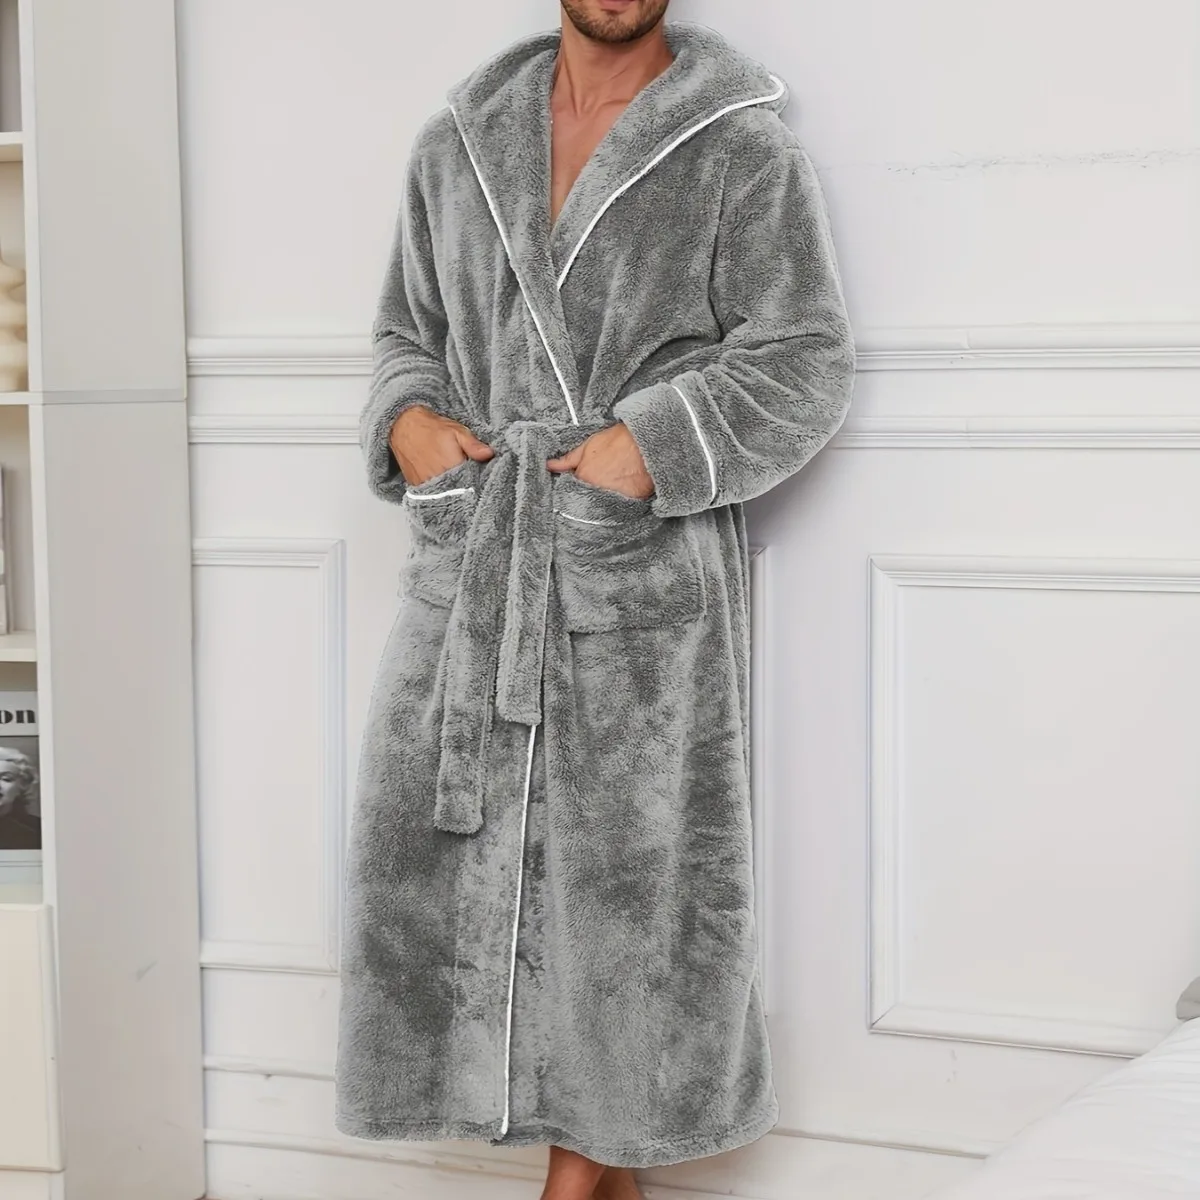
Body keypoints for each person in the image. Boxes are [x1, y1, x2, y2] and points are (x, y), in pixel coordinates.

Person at [333, 3, 855, 1198]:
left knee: (627, 888)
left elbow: (803, 358)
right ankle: (601, 1180)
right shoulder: (460, 139)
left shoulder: (736, 143)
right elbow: (405, 330)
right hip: (477, 555)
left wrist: (648, 448)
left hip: (638, 570)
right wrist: (408, 423)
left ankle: (578, 1178)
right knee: (439, 858)